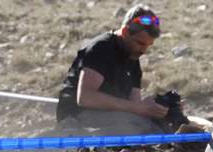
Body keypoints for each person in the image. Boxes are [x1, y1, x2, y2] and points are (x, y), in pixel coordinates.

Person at [56, 5, 170, 134]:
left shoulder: (133, 57)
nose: (144, 50)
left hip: (112, 116)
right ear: (125, 32)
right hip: (75, 117)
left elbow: (134, 104)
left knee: (160, 125)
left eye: (148, 45)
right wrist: (136, 108)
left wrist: (156, 108)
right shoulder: (101, 49)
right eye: (140, 43)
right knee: (139, 126)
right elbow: (85, 97)